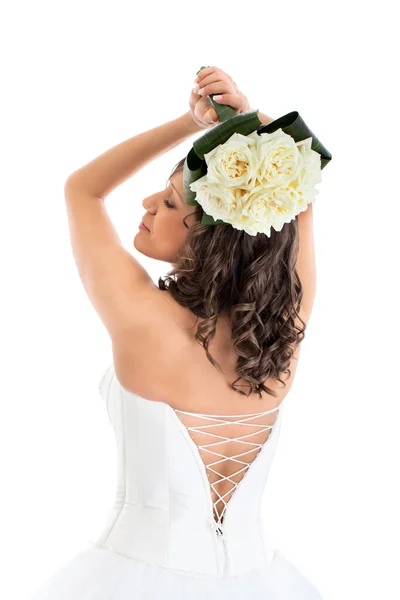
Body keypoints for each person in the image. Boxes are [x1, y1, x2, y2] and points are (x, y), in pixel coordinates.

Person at [29, 65, 329, 598]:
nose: (146, 205)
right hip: (260, 582)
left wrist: (193, 122)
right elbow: (299, 196)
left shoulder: (145, 321)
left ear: (212, 243)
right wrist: (243, 120)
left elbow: (83, 190)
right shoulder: (286, 329)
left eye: (169, 204)